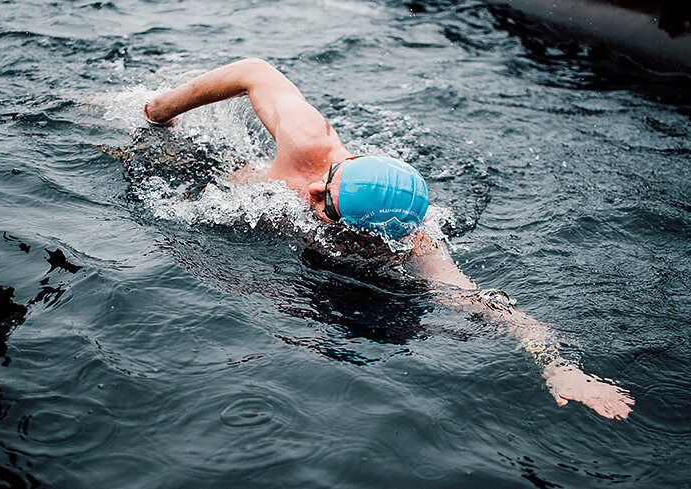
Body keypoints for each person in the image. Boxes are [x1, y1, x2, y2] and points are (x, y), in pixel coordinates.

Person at [145, 58, 634, 420]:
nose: (313, 192)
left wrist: (559, 367)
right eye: (329, 180)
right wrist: (163, 108)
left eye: (325, 204)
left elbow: (486, 304)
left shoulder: (414, 243)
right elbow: (254, 70)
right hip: (215, 182)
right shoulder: (308, 141)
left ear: (368, 237)